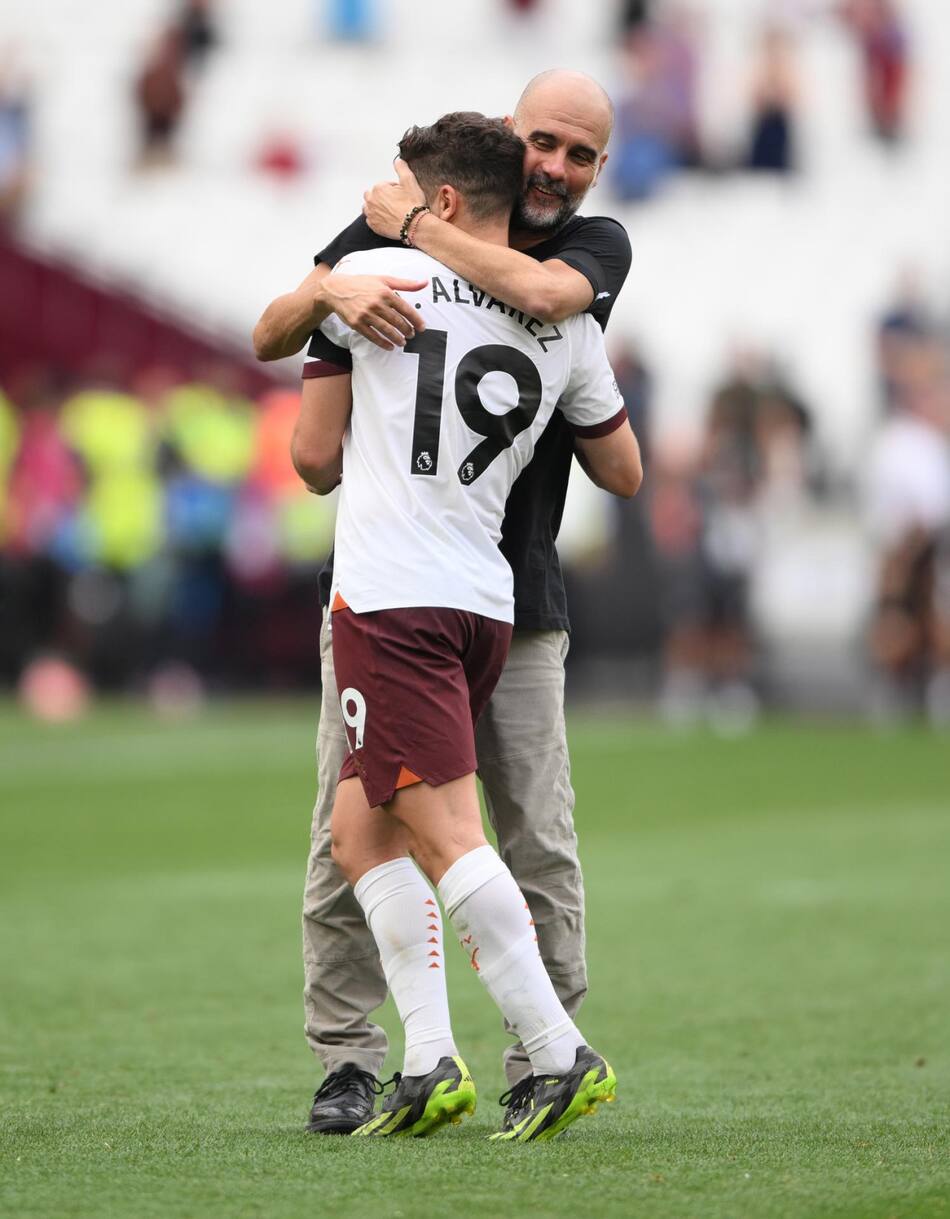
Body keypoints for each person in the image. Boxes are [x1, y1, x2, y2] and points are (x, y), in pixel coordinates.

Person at [252, 69, 633, 1135]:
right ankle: (373, 1059)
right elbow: (295, 306)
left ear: (598, 168)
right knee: (358, 828)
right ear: (510, 146)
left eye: (578, 153)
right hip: (480, 592)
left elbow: (312, 454)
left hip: (438, 588)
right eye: (542, 144)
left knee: (479, 834)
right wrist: (330, 289)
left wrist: (411, 230)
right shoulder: (386, 246)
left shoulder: (571, 249)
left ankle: (545, 1050)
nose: (556, 166)